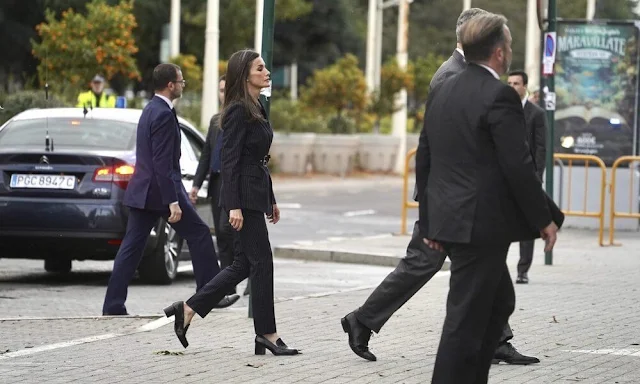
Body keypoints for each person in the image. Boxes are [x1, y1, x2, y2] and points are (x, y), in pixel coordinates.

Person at [341, 7, 541, 367]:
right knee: (423, 263)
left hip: (462, 201)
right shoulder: (451, 75)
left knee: (488, 264)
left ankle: (498, 339)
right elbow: (435, 146)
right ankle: (362, 319)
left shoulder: (466, 73)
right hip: (448, 200)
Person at [417, 13, 560, 383]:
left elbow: (425, 158)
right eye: (509, 46)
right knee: (464, 317)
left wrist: (431, 222)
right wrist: (543, 219)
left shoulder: (444, 86)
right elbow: (518, 165)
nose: (509, 51)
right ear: (499, 53)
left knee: (499, 303)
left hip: (454, 220)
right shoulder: (500, 95)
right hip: (480, 224)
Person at [163, 49, 298, 356]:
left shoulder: (258, 105)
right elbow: (230, 159)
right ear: (245, 75)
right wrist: (233, 205)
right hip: (243, 199)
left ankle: (187, 309)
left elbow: (259, 160)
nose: (267, 72)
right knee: (262, 263)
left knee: (241, 265)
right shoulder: (237, 110)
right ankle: (267, 334)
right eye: (260, 68)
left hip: (255, 194)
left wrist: (271, 199)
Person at [102, 63, 239, 316]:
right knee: (199, 233)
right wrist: (172, 201)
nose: (183, 85)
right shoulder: (164, 114)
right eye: (181, 81)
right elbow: (163, 162)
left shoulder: (150, 109)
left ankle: (112, 306)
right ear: (170, 85)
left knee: (131, 248)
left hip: (143, 192)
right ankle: (210, 295)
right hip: (162, 192)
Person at [190, 75, 237, 296]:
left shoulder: (239, 117)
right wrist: (196, 185)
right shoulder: (215, 120)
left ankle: (242, 276)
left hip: (233, 183)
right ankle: (228, 285)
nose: (223, 94)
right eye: (220, 90)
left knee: (228, 230)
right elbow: (206, 154)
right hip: (216, 182)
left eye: (226, 90)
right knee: (221, 234)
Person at [507, 70, 548, 284]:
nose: (512, 87)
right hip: (504, 176)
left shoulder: (536, 113)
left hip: (527, 176)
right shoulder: (501, 109)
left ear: (525, 86)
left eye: (516, 83)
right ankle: (497, 269)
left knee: (526, 224)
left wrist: (537, 176)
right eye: (510, 83)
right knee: (500, 222)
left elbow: (541, 148)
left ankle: (523, 269)